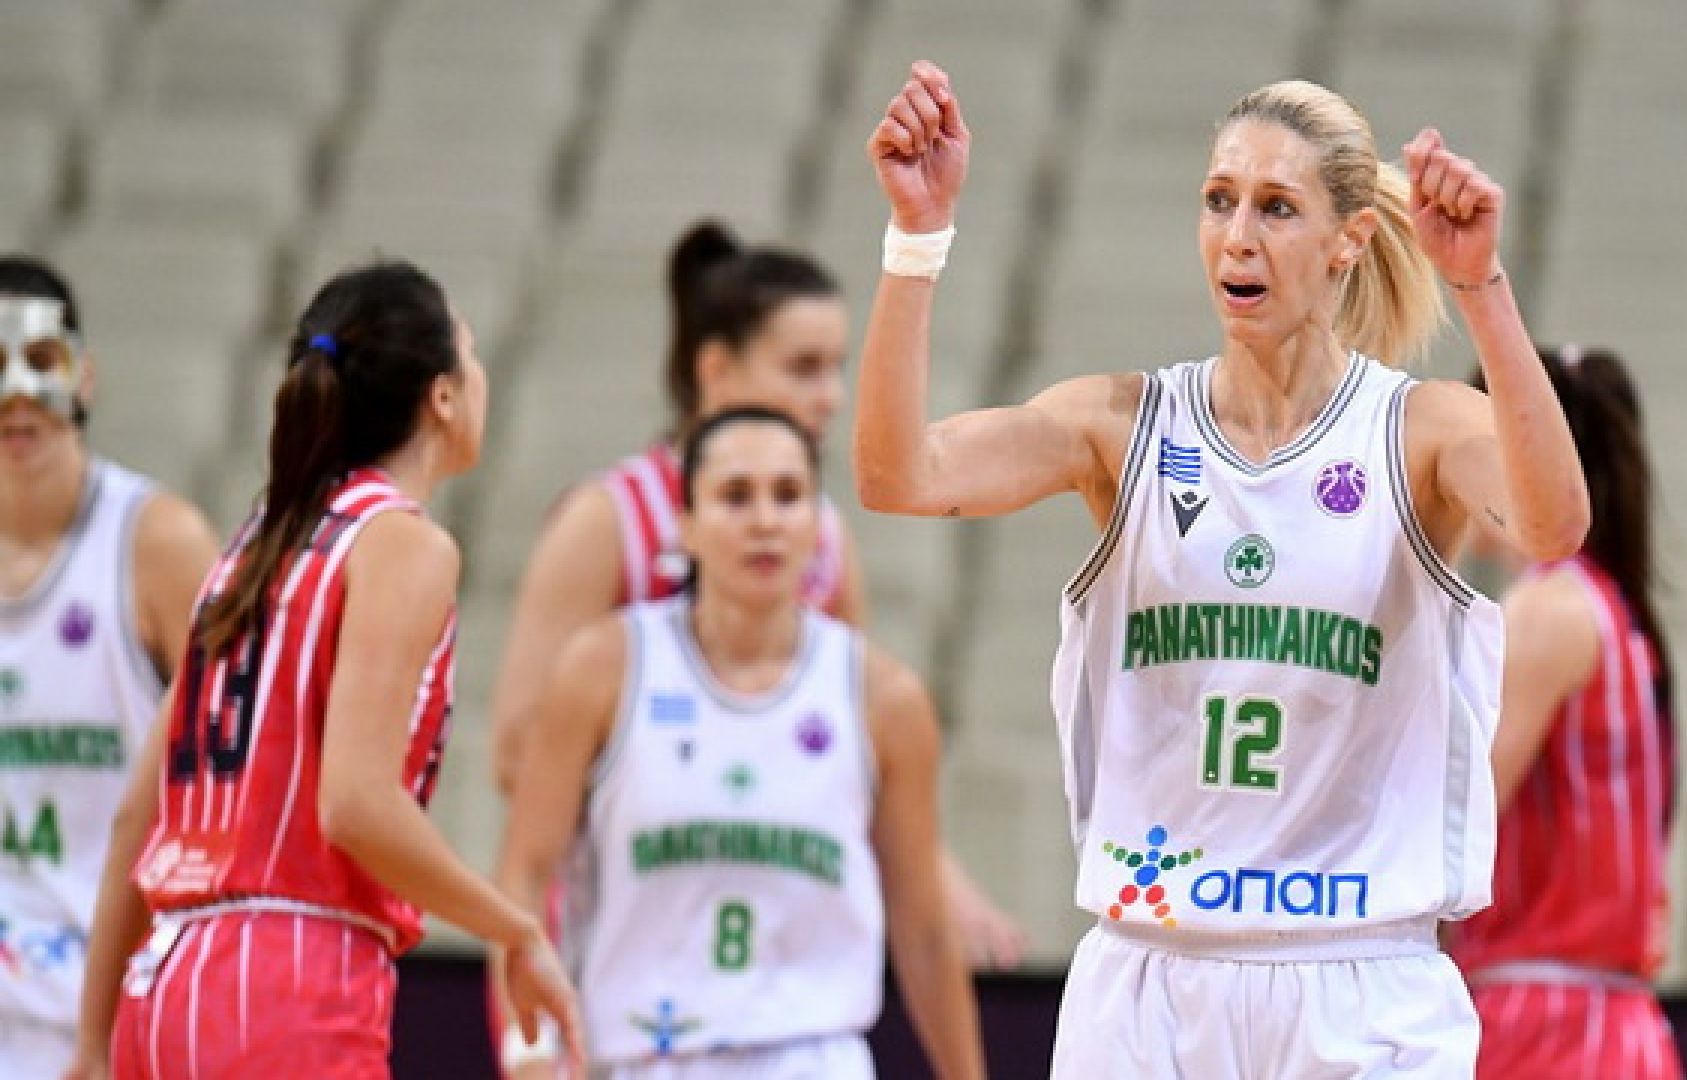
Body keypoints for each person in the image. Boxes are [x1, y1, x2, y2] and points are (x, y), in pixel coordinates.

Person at [856, 62, 1590, 1076]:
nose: (1238, 234)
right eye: (1218, 200)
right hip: (1152, 977)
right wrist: (916, 236)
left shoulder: (1415, 429)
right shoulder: (1121, 422)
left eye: (1276, 207)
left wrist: (1481, 289)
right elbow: (898, 475)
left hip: (1360, 978)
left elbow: (1553, 527)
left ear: (1348, 240)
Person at [62, 261, 578, 1079]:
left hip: (160, 982)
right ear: (443, 396)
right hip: (285, 983)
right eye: (471, 353)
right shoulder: (402, 542)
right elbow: (355, 804)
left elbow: (138, 815)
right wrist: (513, 927)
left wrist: (93, 1044)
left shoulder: (252, 549)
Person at [486, 219, 1025, 973]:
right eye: (804, 368)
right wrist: (697, 792)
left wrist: (938, 876)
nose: (831, 396)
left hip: (767, 948)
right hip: (615, 933)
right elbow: (515, 753)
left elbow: (863, 741)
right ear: (716, 370)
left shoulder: (826, 536)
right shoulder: (606, 519)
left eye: (836, 368)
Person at [495, 406, 984, 1079]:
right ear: (686, 525)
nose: (765, 521)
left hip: (814, 1057)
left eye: (788, 495)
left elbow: (924, 932)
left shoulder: (884, 697)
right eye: (735, 496)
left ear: (818, 524)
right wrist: (529, 1053)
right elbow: (523, 875)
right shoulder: (603, 668)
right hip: (641, 1055)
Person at [0, 257, 219, 1078]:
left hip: (113, 1022)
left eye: (40, 362)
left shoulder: (158, 545)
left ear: (84, 376)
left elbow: (235, 777)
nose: (17, 397)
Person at [1446, 345, 1684, 1078]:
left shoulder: (1546, 611)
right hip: (1612, 1023)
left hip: (1541, 1026)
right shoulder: (1610, 606)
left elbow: (1456, 821)